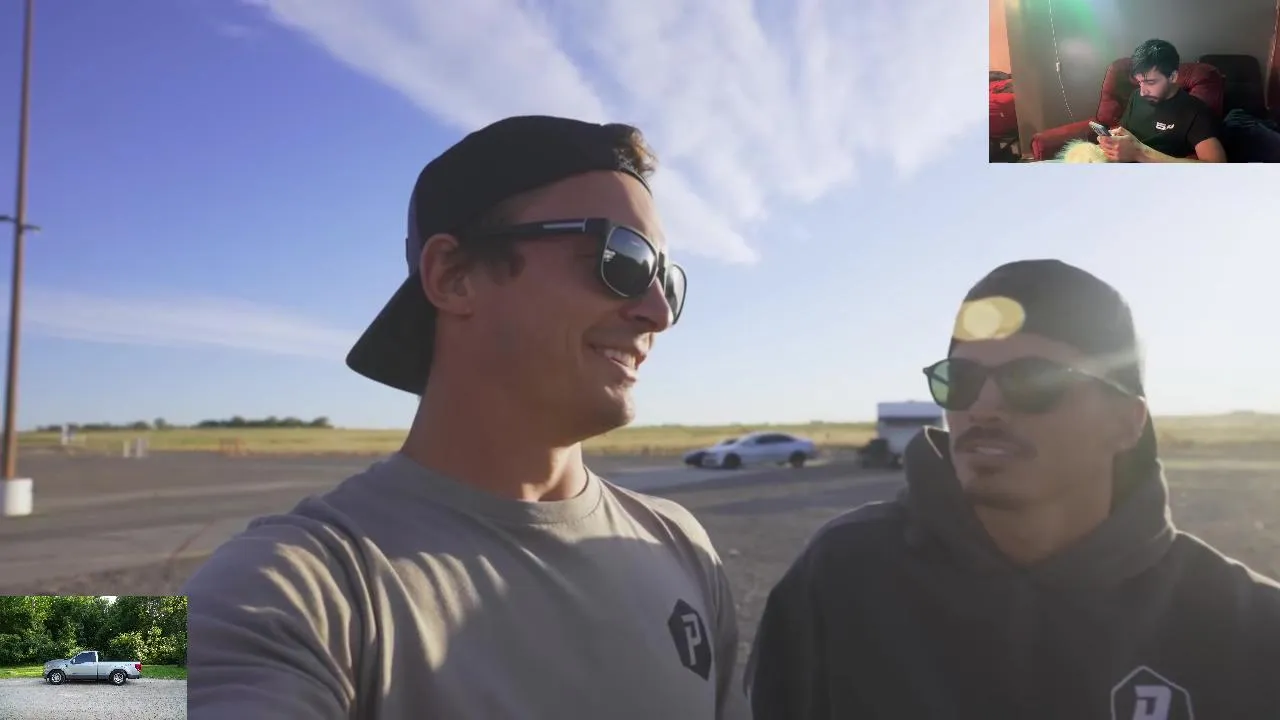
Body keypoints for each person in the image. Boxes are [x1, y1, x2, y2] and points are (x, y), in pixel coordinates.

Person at [182, 115, 741, 719]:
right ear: (453, 276)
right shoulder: (280, 584)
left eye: (666, 279)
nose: (659, 313)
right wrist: (111, 675)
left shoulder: (681, 543)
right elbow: (137, 691)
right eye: (623, 258)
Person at [746, 259, 1280, 719]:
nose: (984, 407)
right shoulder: (843, 577)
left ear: (1126, 422)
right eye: (961, 380)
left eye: (1034, 381)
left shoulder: (1245, 626)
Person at [1101, 39, 1227, 162]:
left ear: (1173, 77)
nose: (1143, 92)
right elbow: (1125, 131)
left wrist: (1139, 154)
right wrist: (1113, 140)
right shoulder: (1136, 96)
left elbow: (1216, 165)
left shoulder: (1196, 112)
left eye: (1150, 82)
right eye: (1139, 82)